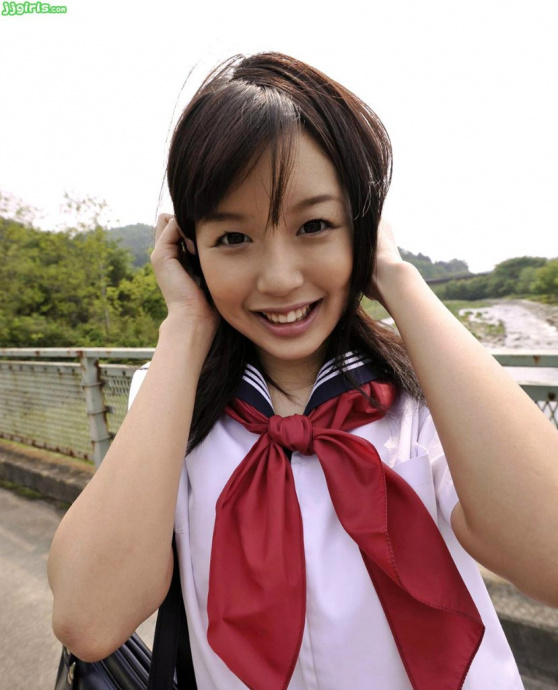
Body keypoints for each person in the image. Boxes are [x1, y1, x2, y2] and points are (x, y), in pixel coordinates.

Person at [47, 52, 558, 689]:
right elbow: (88, 618)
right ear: (192, 252)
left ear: (360, 228)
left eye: (314, 225)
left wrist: (397, 278)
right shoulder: (175, 400)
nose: (280, 278)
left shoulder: (429, 392)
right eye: (233, 238)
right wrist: (184, 327)